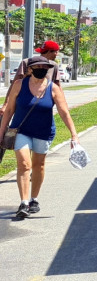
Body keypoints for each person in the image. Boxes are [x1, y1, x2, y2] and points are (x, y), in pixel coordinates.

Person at [0, 57, 79, 219]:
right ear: (29, 69)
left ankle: (34, 199)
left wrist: (74, 134)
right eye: (38, 66)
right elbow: (9, 111)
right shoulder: (19, 85)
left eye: (45, 66)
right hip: (21, 130)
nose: (42, 69)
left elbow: (64, 112)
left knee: (39, 165)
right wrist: (1, 132)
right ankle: (24, 202)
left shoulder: (53, 88)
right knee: (24, 164)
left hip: (44, 132)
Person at [1, 40, 61, 118]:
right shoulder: (26, 63)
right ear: (49, 52)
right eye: (56, 52)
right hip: (24, 103)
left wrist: (63, 105)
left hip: (43, 105)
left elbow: (58, 86)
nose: (57, 55)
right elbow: (14, 84)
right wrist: (6, 104)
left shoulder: (53, 66)